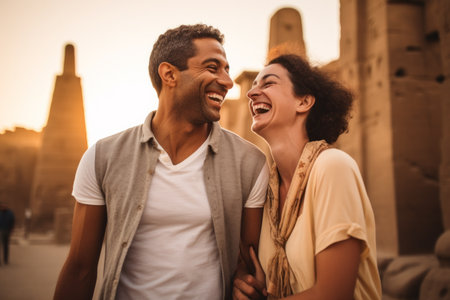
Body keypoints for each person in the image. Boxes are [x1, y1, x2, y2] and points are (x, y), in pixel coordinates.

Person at [54, 24, 269, 300]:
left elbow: (248, 264)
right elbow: (80, 269)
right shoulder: (103, 157)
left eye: (227, 69)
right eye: (213, 67)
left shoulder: (249, 163)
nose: (227, 81)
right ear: (169, 74)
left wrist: (244, 281)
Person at [232, 54, 382, 300]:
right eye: (253, 86)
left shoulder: (333, 167)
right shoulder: (267, 191)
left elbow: (333, 294)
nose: (251, 94)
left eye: (268, 83)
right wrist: (243, 283)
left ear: (304, 102)